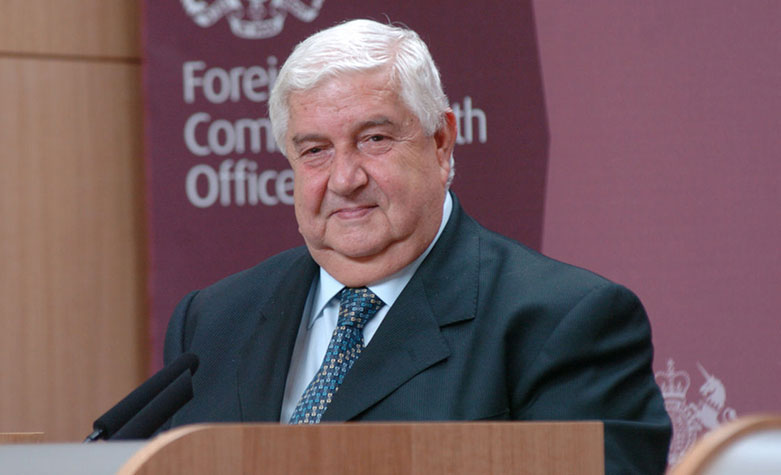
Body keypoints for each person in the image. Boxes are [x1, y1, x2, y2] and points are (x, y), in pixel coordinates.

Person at [163, 19, 671, 474]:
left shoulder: (563, 322)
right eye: (315, 150)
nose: (345, 178)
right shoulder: (212, 322)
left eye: (375, 139)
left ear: (441, 142)